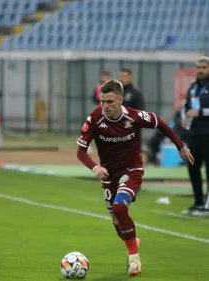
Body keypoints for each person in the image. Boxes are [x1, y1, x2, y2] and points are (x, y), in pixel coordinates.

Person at [76, 79, 194, 276]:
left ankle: (134, 260)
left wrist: (180, 146)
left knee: (119, 207)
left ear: (120, 100)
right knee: (117, 221)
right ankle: (132, 242)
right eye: (102, 101)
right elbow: (81, 152)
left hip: (131, 170)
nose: (105, 106)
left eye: (110, 102)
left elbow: (160, 123)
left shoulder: (134, 116)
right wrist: (95, 167)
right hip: (108, 174)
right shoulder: (94, 119)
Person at [181, 56, 209, 215]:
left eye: (204, 67)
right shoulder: (193, 87)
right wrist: (185, 118)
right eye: (198, 67)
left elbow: (199, 110)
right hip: (195, 133)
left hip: (208, 133)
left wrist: (200, 112)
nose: (200, 70)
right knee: (193, 167)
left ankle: (207, 205)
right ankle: (198, 202)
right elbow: (186, 107)